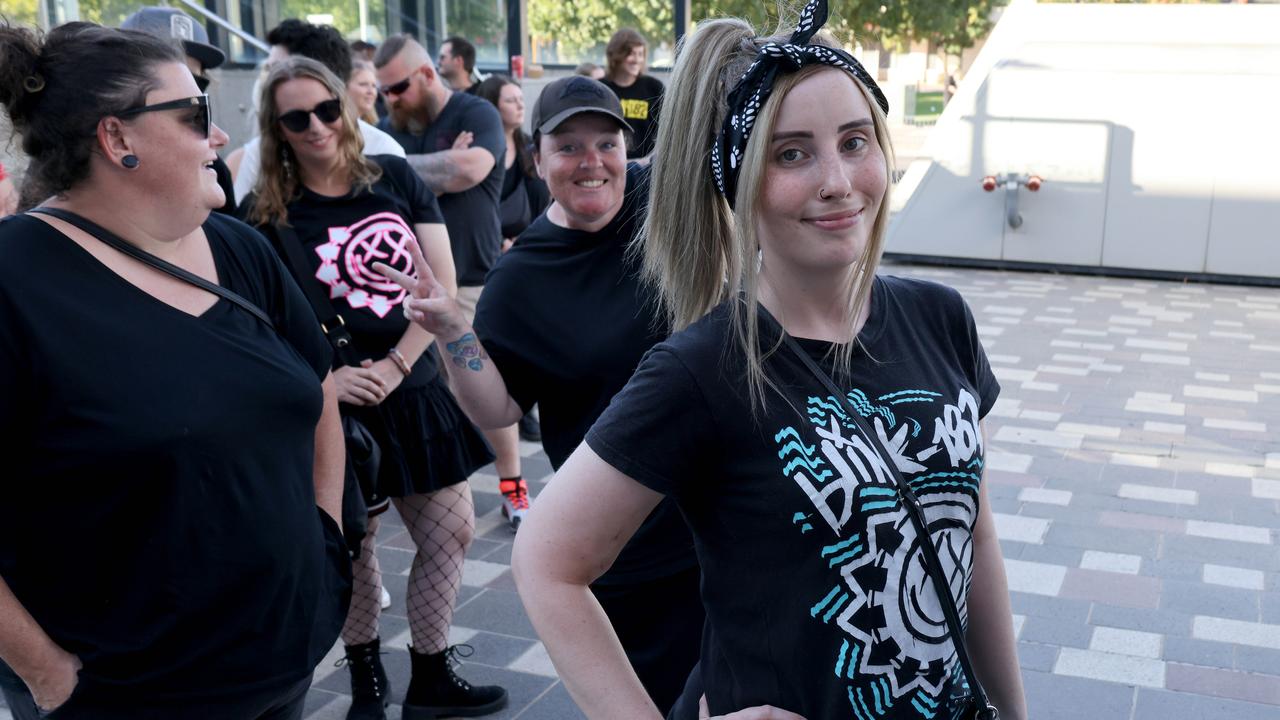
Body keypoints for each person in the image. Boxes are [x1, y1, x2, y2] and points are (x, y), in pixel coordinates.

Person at [511, 1, 1031, 718]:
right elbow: (546, 561)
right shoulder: (702, 369)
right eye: (791, 154)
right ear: (739, 179)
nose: (837, 181)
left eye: (855, 141)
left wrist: (1014, 709)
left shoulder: (940, 317)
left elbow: (971, 529)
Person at [0, 21, 350, 719]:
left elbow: (318, 393)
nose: (218, 137)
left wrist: (325, 539)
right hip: (128, 695)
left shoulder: (239, 248)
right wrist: (50, 677)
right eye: (196, 116)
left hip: (281, 661)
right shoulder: (15, 280)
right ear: (117, 138)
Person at [376, 75, 703, 716]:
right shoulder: (524, 277)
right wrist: (453, 334)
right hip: (630, 543)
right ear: (537, 159)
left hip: (726, 514)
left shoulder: (661, 201)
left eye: (606, 143)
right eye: (569, 147)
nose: (592, 163)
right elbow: (498, 408)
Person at [240, 57, 507, 720]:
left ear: (345, 108)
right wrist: (327, 378)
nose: (316, 126)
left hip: (411, 385)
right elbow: (256, 320)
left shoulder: (393, 179)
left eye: (326, 110)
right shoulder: (264, 211)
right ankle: (367, 683)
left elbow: (438, 289)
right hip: (329, 402)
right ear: (276, 129)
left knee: (452, 530)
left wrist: (394, 364)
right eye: (295, 118)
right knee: (356, 547)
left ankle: (431, 672)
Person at [374, 34, 530, 531]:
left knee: (490, 394)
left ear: (426, 74)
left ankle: (514, 488)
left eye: (397, 87)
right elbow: (369, 179)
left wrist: (396, 170)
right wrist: (433, 170)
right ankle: (437, 496)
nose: (390, 100)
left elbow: (471, 168)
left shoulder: (473, 113)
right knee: (433, 400)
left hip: (470, 281)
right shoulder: (392, 125)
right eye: (383, 92)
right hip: (408, 288)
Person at [230, 19, 404, 204]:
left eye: (277, 70)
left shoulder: (384, 152)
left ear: (320, 75)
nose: (265, 79)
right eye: (267, 68)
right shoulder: (256, 156)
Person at [121, 5, 237, 215]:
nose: (184, 89)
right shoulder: (87, 169)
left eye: (195, 81)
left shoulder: (212, 169)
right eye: (166, 77)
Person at [473, 76, 548, 249]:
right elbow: (474, 207)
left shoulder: (532, 147)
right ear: (491, 106)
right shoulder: (476, 150)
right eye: (510, 101)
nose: (520, 105)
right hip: (486, 245)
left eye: (521, 99)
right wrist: (501, 242)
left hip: (531, 243)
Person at [601, 28, 663, 161]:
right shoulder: (600, 89)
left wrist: (648, 160)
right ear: (616, 55)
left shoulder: (653, 88)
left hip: (645, 164)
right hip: (607, 162)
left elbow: (666, 130)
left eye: (641, 54)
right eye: (631, 54)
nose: (637, 60)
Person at [348, 57, 381, 124]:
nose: (371, 91)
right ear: (345, 87)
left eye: (374, 86)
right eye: (363, 84)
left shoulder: (376, 127)